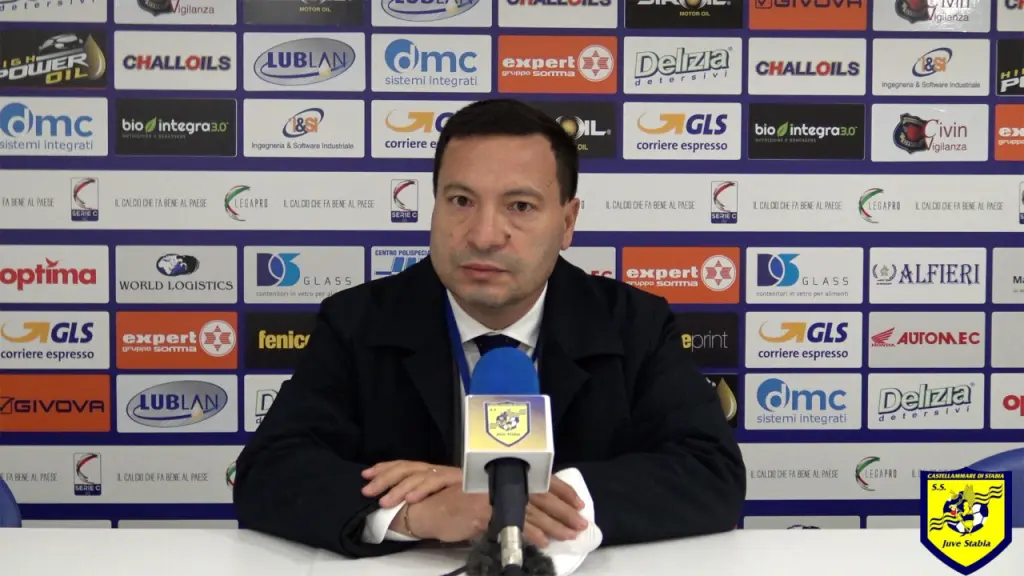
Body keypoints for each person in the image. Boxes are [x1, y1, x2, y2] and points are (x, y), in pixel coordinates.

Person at [233, 99, 746, 563]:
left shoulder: (633, 324)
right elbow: (270, 472)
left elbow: (711, 471)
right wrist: (417, 513)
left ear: (567, 222)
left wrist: (528, 499)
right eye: (461, 201)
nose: (483, 235)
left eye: (520, 206)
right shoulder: (357, 321)